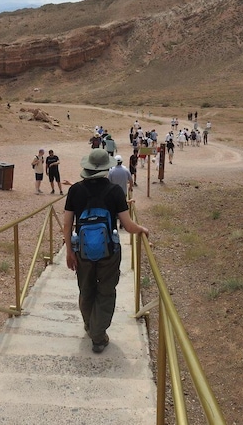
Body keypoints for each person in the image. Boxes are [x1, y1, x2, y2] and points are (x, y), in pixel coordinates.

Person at [63, 149, 149, 353]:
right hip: (109, 252)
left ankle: (90, 325)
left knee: (86, 289)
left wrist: (69, 251)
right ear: (106, 168)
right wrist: (142, 229)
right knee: (106, 291)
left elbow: (67, 225)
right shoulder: (114, 191)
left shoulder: (75, 190)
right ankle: (98, 337)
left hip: (82, 251)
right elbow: (128, 226)